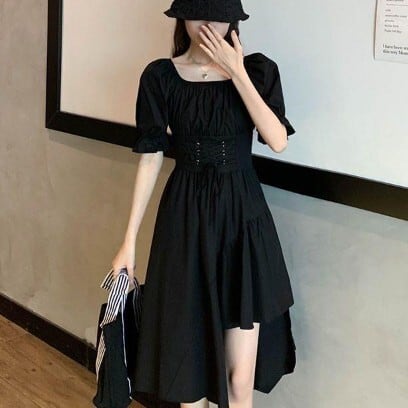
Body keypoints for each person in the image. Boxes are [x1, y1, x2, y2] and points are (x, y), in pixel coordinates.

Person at [112, 1, 296, 407]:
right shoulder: (161, 76)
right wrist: (129, 240)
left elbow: (278, 140)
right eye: (198, 11)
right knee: (188, 377)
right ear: (182, 17)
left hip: (242, 221)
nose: (208, 23)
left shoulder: (258, 71)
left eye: (219, 14)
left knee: (239, 380)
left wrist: (236, 72)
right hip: (185, 223)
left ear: (234, 20)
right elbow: (151, 156)